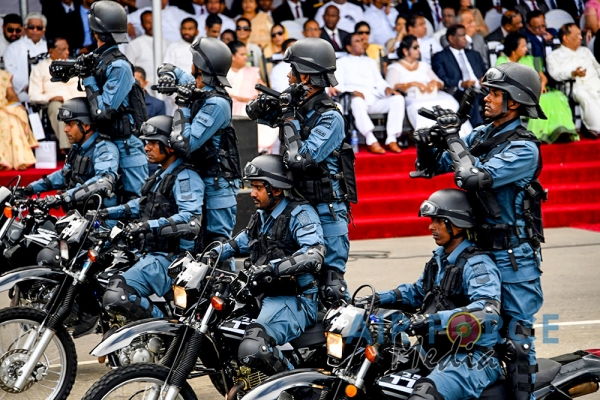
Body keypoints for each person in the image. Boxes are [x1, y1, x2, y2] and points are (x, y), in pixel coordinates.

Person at [413, 62, 547, 400]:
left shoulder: (524, 148)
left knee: (516, 342)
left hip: (513, 260)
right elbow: (433, 167)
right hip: (477, 253)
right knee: (470, 332)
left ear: (514, 101)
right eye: (487, 92)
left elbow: (471, 177)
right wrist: (428, 141)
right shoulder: (483, 135)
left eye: (495, 93)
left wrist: (453, 137)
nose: (486, 98)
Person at [358, 189, 503, 400]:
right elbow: (417, 292)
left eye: (438, 221)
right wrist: (377, 299)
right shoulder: (441, 258)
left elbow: (487, 311)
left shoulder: (478, 264)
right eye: (431, 220)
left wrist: (430, 320)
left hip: (472, 357)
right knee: (378, 377)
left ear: (458, 224)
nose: (431, 226)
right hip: (435, 350)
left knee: (423, 396)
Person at [254, 37, 356, 304]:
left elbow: (298, 160)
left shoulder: (331, 117)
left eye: (293, 70)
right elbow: (254, 113)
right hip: (297, 208)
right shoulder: (296, 107)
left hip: (326, 210)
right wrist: (268, 104)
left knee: (330, 287)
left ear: (306, 76)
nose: (288, 76)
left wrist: (288, 116)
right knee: (294, 279)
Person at [215, 154, 325, 376]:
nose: (252, 193)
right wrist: (213, 253)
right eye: (251, 187)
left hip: (294, 300)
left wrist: (272, 267)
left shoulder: (300, 214)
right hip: (262, 295)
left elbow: (314, 254)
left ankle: (302, 390)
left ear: (275, 189)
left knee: (253, 347)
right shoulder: (262, 215)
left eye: (257, 187)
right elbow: (243, 241)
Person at [102, 115, 204, 320]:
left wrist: (148, 225)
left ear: (171, 146)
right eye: (146, 142)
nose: (146, 147)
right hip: (149, 254)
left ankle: (165, 328)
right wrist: (106, 213)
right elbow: (142, 204)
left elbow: (190, 219)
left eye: (153, 143)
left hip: (170, 259)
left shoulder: (185, 177)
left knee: (118, 295)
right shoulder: (160, 174)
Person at [157, 37, 242, 251]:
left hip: (218, 183)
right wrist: (168, 76)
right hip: (201, 178)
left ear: (201, 67)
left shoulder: (217, 103)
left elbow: (185, 144)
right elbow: (169, 68)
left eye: (194, 61)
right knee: (195, 241)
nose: (191, 66)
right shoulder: (199, 85)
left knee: (217, 244)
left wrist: (183, 105)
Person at [80, 0, 149, 201]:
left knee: (134, 202)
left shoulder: (119, 65)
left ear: (94, 32)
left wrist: (88, 79)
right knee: (105, 201)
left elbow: (102, 112)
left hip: (126, 144)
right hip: (107, 142)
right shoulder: (98, 60)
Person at [20, 98, 119, 209]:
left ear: (86, 125)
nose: (65, 129)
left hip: (100, 216)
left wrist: (64, 197)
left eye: (70, 124)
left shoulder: (105, 149)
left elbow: (102, 181)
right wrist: (29, 189)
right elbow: (64, 175)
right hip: (79, 214)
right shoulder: (78, 148)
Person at [497, 32, 578, 143]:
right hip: (517, 95)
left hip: (537, 91)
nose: (526, 49)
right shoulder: (502, 62)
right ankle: (541, 134)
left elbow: (542, 77)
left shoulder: (530, 60)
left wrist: (542, 84)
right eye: (523, 46)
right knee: (542, 100)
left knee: (557, 96)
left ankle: (560, 130)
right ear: (513, 49)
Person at [386, 35, 473, 136]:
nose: (418, 50)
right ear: (405, 51)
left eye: (418, 47)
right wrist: (412, 84)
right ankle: (434, 138)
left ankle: (461, 136)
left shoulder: (424, 66)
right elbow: (391, 87)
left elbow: (440, 83)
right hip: (413, 97)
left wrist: (434, 83)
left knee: (451, 103)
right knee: (422, 109)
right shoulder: (395, 68)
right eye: (415, 47)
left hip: (433, 95)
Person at [333, 33, 405, 154]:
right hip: (356, 100)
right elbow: (338, 85)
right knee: (356, 101)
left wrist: (387, 88)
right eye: (357, 41)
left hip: (375, 98)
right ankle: (371, 139)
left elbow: (379, 81)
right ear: (349, 47)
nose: (362, 43)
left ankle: (391, 139)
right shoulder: (341, 62)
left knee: (398, 99)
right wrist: (352, 92)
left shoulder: (370, 61)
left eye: (362, 40)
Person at [547, 23, 600, 137]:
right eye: (577, 35)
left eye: (580, 35)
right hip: (575, 87)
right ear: (566, 38)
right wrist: (572, 73)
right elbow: (555, 75)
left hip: (595, 83)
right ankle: (596, 128)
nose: (581, 38)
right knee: (586, 96)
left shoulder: (585, 51)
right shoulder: (553, 56)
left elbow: (598, 68)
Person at [28, 37, 80, 152]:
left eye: (67, 49)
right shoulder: (40, 69)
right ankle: (68, 148)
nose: (67, 52)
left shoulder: (75, 66)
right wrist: (50, 98)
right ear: (51, 51)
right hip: (58, 104)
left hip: (79, 101)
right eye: (63, 50)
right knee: (57, 107)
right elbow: (33, 95)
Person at [432, 25, 486, 127]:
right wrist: (461, 84)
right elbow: (442, 78)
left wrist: (484, 79)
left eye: (465, 35)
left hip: (481, 88)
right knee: (470, 96)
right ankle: (479, 128)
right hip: (459, 91)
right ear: (451, 38)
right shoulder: (440, 57)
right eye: (461, 36)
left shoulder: (474, 54)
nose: (465, 38)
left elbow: (485, 71)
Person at [3, 12, 48, 103]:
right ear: (25, 28)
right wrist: (27, 86)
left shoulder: (49, 47)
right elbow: (10, 72)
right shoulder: (13, 48)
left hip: (48, 90)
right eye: (31, 27)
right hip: (23, 91)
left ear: (44, 30)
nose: (35, 30)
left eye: (39, 28)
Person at [125, 10, 170, 98]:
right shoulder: (134, 45)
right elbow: (128, 71)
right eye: (148, 22)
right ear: (142, 25)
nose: (152, 25)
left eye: (153, 21)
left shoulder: (168, 43)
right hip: (144, 93)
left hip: (166, 91)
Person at [0, 70, 38, 170]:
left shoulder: (3, 75)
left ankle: (18, 159)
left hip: (3, 107)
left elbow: (12, 96)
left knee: (14, 113)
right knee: (4, 115)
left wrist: (16, 104)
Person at [226, 40, 265, 116]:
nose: (246, 57)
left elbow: (262, 90)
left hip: (250, 110)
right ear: (232, 56)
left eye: (246, 54)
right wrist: (243, 99)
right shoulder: (224, 73)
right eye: (242, 54)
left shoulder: (253, 72)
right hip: (229, 110)